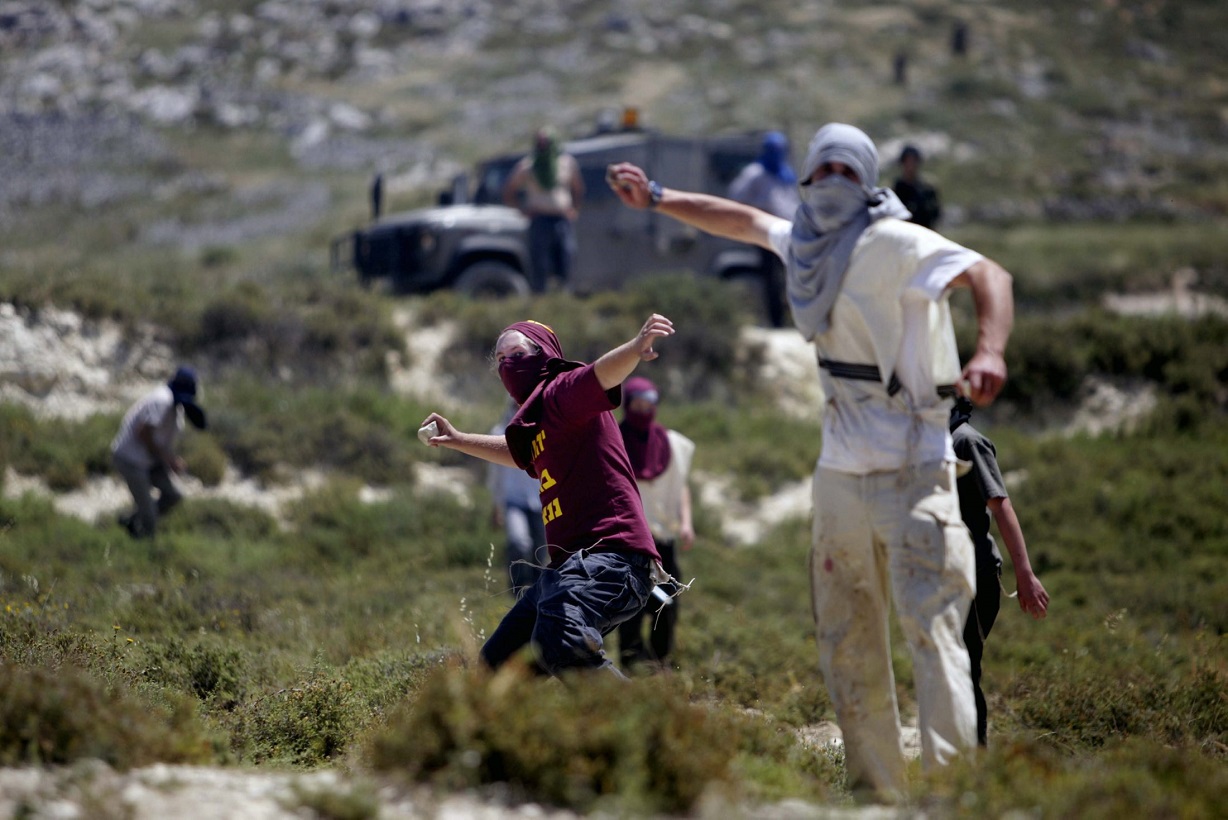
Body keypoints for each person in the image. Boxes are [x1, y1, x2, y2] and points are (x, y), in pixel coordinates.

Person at [607, 121, 1015, 802]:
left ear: (868, 181)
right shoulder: (805, 241)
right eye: (821, 170)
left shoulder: (898, 241)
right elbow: (740, 220)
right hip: (841, 475)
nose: (830, 183)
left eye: (845, 172)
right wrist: (655, 196)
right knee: (847, 638)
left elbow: (988, 274)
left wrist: (991, 349)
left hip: (916, 467)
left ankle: (953, 796)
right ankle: (876, 793)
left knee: (935, 634)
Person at [421, 314, 676, 677]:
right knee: (498, 669)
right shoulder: (540, 421)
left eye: (517, 354)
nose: (508, 365)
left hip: (614, 559)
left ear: (545, 355)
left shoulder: (562, 391)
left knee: (561, 637)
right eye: (501, 360)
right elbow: (520, 455)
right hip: (569, 568)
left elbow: (601, 374)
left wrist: (635, 348)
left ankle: (638, 714)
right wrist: (459, 439)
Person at [949, 397, 1049, 747]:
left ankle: (974, 758)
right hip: (943, 577)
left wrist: (1025, 575)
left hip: (974, 577)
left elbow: (1001, 506)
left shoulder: (966, 442)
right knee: (947, 669)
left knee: (963, 669)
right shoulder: (930, 444)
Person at [615, 376, 695, 670]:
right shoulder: (614, 440)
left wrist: (686, 523)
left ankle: (661, 663)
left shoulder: (671, 444)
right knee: (629, 607)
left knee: (666, 601)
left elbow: (680, 485)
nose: (642, 411)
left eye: (647, 405)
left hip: (662, 541)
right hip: (627, 542)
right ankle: (630, 666)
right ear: (627, 405)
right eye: (636, 405)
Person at [111, 366, 207, 539]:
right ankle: (143, 544)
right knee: (149, 514)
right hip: (130, 459)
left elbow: (163, 439)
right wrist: (167, 458)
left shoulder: (177, 408)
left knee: (174, 496)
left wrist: (171, 459)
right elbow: (144, 433)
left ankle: (131, 521)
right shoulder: (162, 399)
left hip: (151, 460)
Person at [728, 131, 800, 328]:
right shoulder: (755, 173)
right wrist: (757, 209)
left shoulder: (785, 173)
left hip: (790, 230)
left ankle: (794, 319)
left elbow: (791, 201)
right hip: (766, 231)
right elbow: (736, 195)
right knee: (772, 277)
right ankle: (776, 321)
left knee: (793, 275)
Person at [502, 128, 585, 294]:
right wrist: (521, 210)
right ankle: (540, 299)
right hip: (540, 220)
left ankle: (563, 297)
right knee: (540, 263)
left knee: (566, 259)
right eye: (540, 142)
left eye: (546, 142)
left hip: (561, 220)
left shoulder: (566, 163)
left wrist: (575, 209)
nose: (543, 146)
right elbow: (509, 190)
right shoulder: (528, 165)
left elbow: (578, 188)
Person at [487, 400, 546, 597]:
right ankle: (517, 590)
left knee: (541, 549)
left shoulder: (541, 431)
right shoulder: (499, 433)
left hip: (540, 501)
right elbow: (495, 475)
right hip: (513, 501)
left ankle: (538, 594)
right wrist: (496, 506)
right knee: (519, 542)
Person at [892, 145, 942, 230]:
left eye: (913, 161)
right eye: (907, 161)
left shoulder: (927, 188)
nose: (910, 165)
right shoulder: (897, 188)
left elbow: (936, 212)